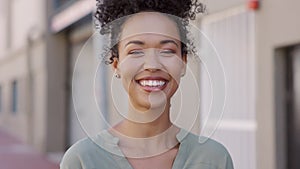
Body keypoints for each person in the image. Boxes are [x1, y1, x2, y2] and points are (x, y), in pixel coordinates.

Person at [60, 0, 234, 169]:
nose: (152, 65)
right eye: (136, 51)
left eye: (167, 51)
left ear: (183, 62)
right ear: (116, 65)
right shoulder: (82, 160)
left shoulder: (214, 159)